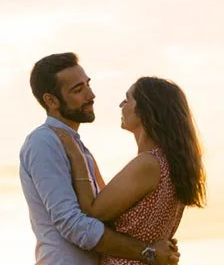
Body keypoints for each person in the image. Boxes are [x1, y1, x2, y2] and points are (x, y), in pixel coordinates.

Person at [19, 53, 179, 264]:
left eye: (87, 84)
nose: (91, 95)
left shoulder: (78, 149)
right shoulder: (44, 142)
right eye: (78, 90)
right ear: (51, 100)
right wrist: (147, 251)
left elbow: (106, 214)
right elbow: (73, 224)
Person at [51, 76, 206, 265]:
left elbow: (93, 211)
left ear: (145, 110)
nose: (121, 105)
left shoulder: (148, 163)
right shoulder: (168, 164)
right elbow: (113, 203)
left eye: (128, 99)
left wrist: (76, 157)